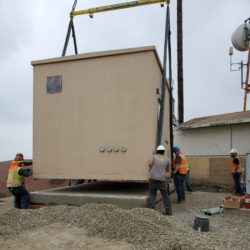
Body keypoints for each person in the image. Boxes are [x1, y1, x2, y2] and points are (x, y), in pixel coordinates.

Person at [148, 145, 172, 215]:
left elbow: (149, 164)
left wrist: (151, 167)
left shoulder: (153, 157)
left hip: (153, 179)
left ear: (157, 151)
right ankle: (168, 211)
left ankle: (151, 210)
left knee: (152, 194)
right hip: (162, 180)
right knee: (165, 195)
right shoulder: (167, 159)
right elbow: (167, 170)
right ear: (163, 152)